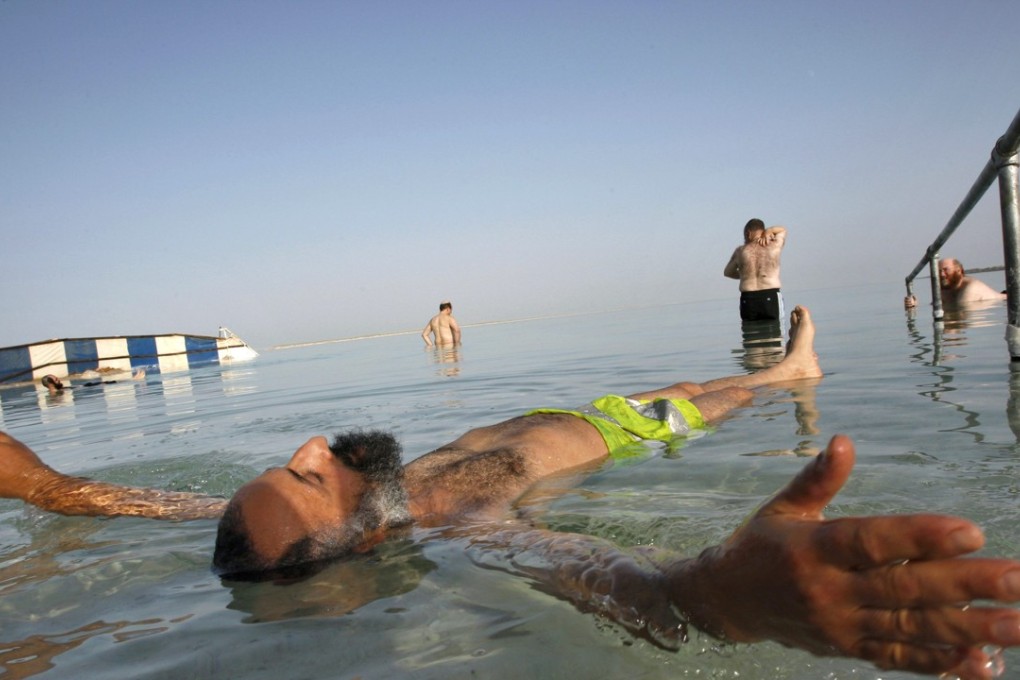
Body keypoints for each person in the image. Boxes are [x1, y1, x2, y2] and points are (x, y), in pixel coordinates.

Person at [3, 307, 1020, 679]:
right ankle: (789, 376)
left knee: (689, 385)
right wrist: (718, 594)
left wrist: (43, 484)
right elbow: (626, 586)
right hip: (622, 435)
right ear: (356, 542)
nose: (311, 439)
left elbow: (79, 491)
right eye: (308, 474)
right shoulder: (470, 526)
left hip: (586, 405)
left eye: (288, 456)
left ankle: (780, 373)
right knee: (723, 394)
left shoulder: (309, 516)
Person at [724, 218, 788, 321]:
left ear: (748, 233)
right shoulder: (774, 244)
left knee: (750, 335)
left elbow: (727, 272)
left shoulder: (740, 251)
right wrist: (769, 231)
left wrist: (746, 275)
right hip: (770, 296)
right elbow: (782, 230)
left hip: (748, 299)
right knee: (775, 334)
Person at [906, 258, 1006, 309]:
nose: (942, 274)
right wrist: (915, 306)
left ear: (959, 271)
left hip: (1007, 300)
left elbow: (958, 310)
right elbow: (938, 306)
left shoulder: (970, 288)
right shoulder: (946, 289)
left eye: (946, 270)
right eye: (939, 271)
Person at [41, 369, 146, 396]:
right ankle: (133, 380)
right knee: (106, 383)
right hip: (85, 388)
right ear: (50, 384)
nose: (58, 379)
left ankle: (133, 379)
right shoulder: (55, 394)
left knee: (107, 382)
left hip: (84, 386)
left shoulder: (59, 390)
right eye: (55, 379)